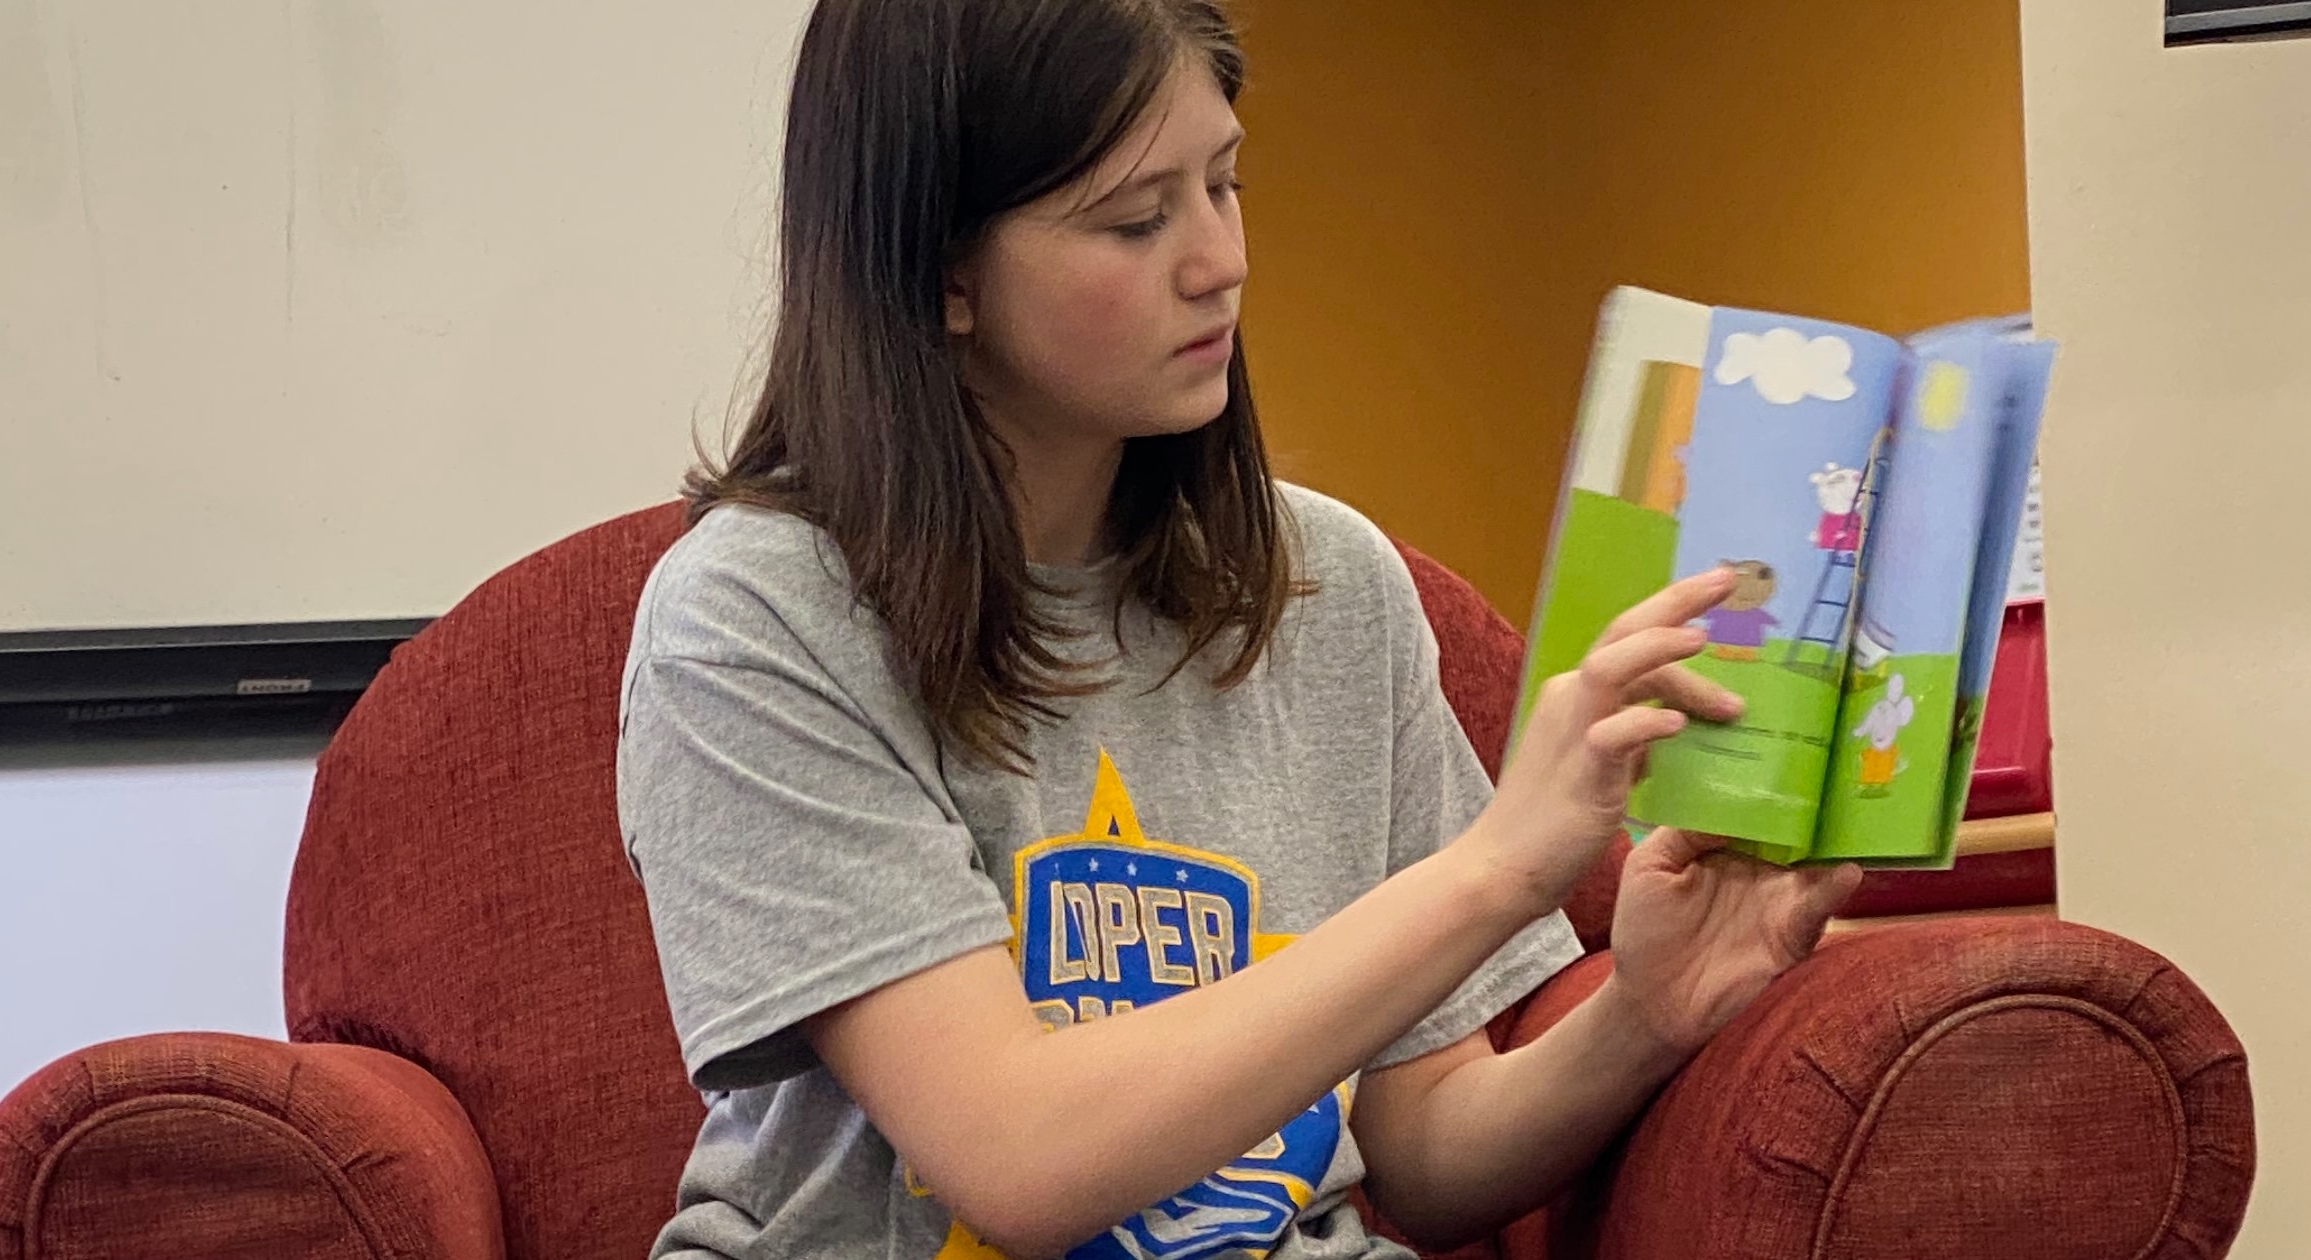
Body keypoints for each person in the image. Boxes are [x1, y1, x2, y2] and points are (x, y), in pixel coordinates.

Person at [618, 2, 1862, 1257]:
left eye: (1225, 183)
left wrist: (1644, 1016)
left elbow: (1420, 1153)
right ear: (944, 274)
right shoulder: (756, 618)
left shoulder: (1330, 582)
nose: (1220, 260)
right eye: (1137, 218)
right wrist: (1495, 867)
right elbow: (1019, 1158)